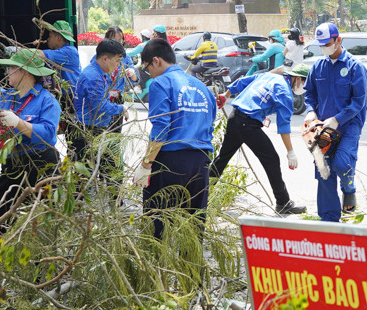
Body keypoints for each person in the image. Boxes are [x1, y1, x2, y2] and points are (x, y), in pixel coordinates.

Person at [131, 38, 217, 240]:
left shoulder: (160, 83)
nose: (148, 73)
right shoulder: (202, 87)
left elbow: (161, 127)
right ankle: (191, 269)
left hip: (171, 162)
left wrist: (146, 165)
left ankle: (157, 268)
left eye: (147, 68)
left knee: (157, 223)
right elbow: (210, 122)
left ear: (156, 61)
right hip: (201, 162)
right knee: (194, 227)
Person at [0, 48, 61, 233]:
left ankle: (41, 259)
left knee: (41, 218)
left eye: (11, 68)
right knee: (3, 216)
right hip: (13, 163)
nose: (7, 73)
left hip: (41, 163)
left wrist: (19, 123)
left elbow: (47, 134)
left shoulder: (47, 100)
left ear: (24, 71)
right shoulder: (5, 98)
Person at [211, 65, 309, 217]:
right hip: (248, 125)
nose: (303, 87)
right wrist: (290, 152)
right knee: (271, 159)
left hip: (234, 116)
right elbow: (284, 126)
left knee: (222, 159)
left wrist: (225, 94)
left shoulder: (269, 76)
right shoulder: (284, 92)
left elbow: (241, 82)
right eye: (304, 82)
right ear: (296, 78)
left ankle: (198, 194)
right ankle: (283, 203)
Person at [303, 22, 367, 220]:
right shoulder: (318, 67)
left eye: (328, 43)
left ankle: (349, 188)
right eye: (321, 44)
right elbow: (310, 94)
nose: (324, 47)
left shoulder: (355, 67)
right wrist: (311, 111)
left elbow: (358, 102)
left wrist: (338, 119)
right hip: (322, 127)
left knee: (340, 163)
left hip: (348, 125)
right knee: (324, 171)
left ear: (339, 40)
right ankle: (329, 220)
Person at [74, 38, 128, 181]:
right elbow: (100, 107)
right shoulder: (94, 77)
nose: (118, 65)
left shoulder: (96, 72)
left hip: (92, 126)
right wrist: (121, 108)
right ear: (105, 59)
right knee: (111, 166)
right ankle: (115, 199)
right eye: (117, 61)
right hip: (90, 129)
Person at [34, 20, 81, 112]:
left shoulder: (70, 51)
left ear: (59, 37)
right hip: (62, 97)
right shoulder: (53, 58)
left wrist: (19, 50)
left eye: (50, 36)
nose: (47, 39)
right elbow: (48, 82)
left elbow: (40, 54)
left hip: (73, 97)